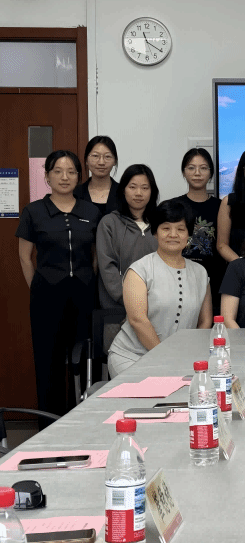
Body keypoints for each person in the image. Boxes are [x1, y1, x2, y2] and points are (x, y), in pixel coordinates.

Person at [17, 150, 102, 417]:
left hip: (84, 296)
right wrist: (38, 287)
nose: (64, 177)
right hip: (47, 297)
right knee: (48, 362)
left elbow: (96, 256)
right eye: (57, 171)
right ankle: (50, 424)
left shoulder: (91, 211)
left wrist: (86, 278)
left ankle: (83, 421)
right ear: (47, 176)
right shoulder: (33, 211)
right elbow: (25, 257)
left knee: (85, 360)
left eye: (71, 172)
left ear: (79, 176)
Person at [107, 200, 212, 378]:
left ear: (188, 234)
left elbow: (205, 321)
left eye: (180, 229)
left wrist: (186, 356)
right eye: (166, 228)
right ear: (155, 232)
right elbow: (138, 320)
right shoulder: (139, 270)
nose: (173, 235)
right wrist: (166, 359)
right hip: (132, 357)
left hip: (181, 359)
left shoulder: (200, 273)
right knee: (153, 392)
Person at [96, 165, 159, 311]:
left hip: (156, 306)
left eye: (145, 188)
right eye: (132, 187)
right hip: (118, 307)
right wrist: (132, 300)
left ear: (152, 191)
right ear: (123, 190)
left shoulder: (161, 224)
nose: (138, 193)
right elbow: (107, 267)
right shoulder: (109, 223)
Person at [171, 148, 224, 314]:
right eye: (191, 168)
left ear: (211, 173)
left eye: (203, 168)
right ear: (183, 172)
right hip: (178, 278)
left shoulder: (221, 207)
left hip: (215, 280)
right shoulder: (173, 206)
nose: (197, 173)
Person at [74, 135, 120, 216]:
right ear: (86, 160)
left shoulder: (124, 193)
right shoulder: (75, 194)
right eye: (95, 156)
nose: (101, 162)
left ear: (115, 161)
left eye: (107, 156)